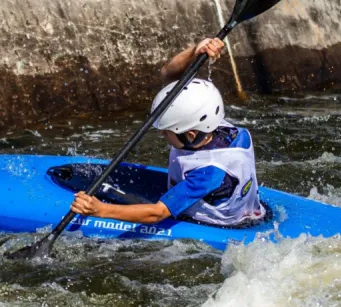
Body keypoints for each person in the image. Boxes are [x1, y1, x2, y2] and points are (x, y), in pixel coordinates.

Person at [68, 38, 266, 227]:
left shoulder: (208, 173)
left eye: (167, 131)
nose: (162, 134)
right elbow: (169, 75)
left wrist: (100, 210)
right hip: (236, 203)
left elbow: (157, 213)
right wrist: (195, 51)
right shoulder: (215, 125)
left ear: (189, 134)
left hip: (217, 223)